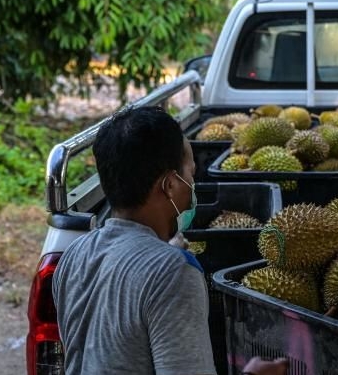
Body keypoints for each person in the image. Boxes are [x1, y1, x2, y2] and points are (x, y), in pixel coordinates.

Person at [52, 106, 287, 375]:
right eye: (191, 174)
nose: (192, 184)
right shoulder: (174, 273)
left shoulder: (73, 256)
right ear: (170, 185)